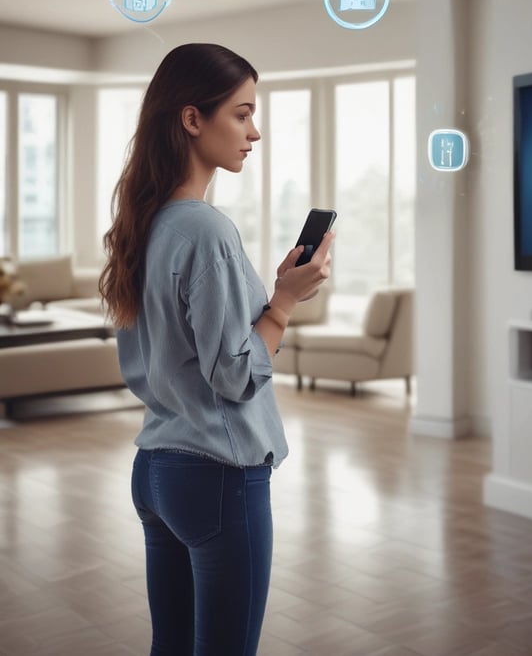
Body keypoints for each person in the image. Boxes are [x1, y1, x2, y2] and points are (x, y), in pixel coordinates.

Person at [99, 42, 333, 655]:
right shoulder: (206, 229)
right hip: (218, 475)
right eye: (242, 113)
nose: (255, 132)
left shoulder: (141, 223)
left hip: (156, 471)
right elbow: (234, 376)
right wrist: (283, 302)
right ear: (192, 118)